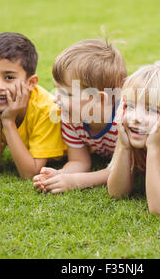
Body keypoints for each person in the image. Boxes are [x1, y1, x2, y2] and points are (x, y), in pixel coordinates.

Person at [33, 38, 127, 193]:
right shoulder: (70, 117)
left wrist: (76, 181)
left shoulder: (125, 120)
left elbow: (125, 169)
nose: (56, 97)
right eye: (57, 89)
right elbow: (79, 160)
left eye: (68, 94)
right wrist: (60, 174)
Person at [106, 61, 160, 214]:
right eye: (131, 106)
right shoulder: (133, 133)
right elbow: (117, 193)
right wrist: (125, 146)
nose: (136, 118)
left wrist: (154, 147)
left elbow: (158, 207)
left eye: (152, 110)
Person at [0, 32, 66, 179]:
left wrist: (7, 121)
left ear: (31, 83)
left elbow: (30, 173)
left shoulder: (46, 110)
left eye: (9, 77)